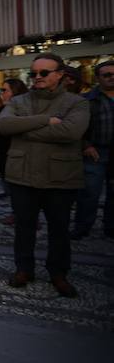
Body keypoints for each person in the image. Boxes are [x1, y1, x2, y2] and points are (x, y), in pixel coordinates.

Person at [0, 53, 89, 298]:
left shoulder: (76, 102)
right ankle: (23, 269)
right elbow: (4, 126)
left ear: (60, 75)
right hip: (22, 175)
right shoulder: (19, 101)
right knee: (23, 228)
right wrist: (45, 121)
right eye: (34, 73)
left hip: (60, 176)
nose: (37, 77)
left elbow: (71, 132)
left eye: (44, 73)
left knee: (59, 229)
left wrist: (24, 129)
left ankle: (58, 273)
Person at [71, 60, 114, 240]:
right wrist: (85, 145)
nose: (112, 78)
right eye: (107, 75)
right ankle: (82, 228)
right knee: (89, 194)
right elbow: (76, 127)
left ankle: (110, 228)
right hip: (95, 152)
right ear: (98, 78)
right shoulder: (87, 99)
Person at [0, 78, 28, 225]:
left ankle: (24, 215)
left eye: (5, 90)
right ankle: (17, 213)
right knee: (8, 186)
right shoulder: (5, 108)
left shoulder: (23, 109)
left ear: (15, 92)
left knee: (19, 189)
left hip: (17, 153)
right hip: (4, 153)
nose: (2, 93)